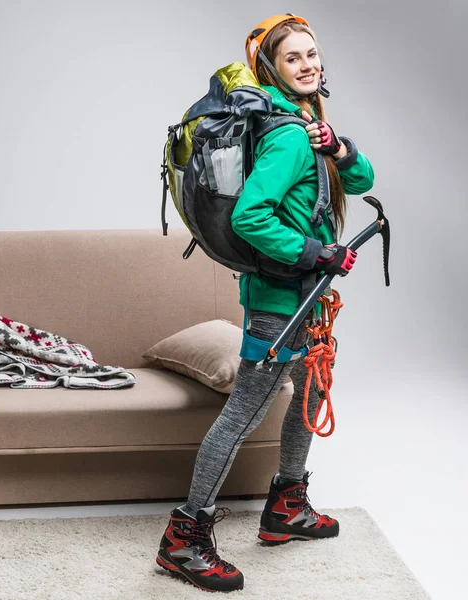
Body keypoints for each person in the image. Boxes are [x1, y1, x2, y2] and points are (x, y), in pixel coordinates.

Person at [156, 14, 374, 593]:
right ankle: (184, 539)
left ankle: (286, 507)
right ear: (271, 69)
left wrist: (342, 147)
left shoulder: (309, 126)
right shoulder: (286, 136)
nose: (308, 65)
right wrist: (313, 253)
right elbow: (252, 216)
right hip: (280, 299)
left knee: (310, 390)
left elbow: (360, 179)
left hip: (306, 298)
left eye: (312, 54)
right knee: (245, 411)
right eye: (293, 58)